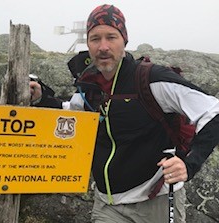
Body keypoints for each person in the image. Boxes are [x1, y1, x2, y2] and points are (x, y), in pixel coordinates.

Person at [30, 4, 219, 223]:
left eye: (111, 37)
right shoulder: (89, 87)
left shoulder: (151, 80)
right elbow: (71, 114)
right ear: (88, 45)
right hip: (107, 205)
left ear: (124, 41)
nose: (103, 47)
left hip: (155, 200)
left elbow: (213, 110)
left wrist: (188, 163)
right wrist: (41, 98)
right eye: (95, 38)